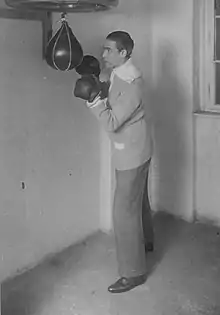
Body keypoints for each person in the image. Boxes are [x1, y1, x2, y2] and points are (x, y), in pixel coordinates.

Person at [74, 31, 154, 293]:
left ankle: (133, 273)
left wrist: (92, 100)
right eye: (103, 49)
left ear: (124, 53)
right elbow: (112, 89)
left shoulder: (132, 84)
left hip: (131, 151)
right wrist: (97, 81)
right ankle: (146, 243)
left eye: (108, 50)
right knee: (136, 198)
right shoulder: (122, 72)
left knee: (123, 211)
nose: (103, 54)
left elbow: (111, 120)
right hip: (136, 147)